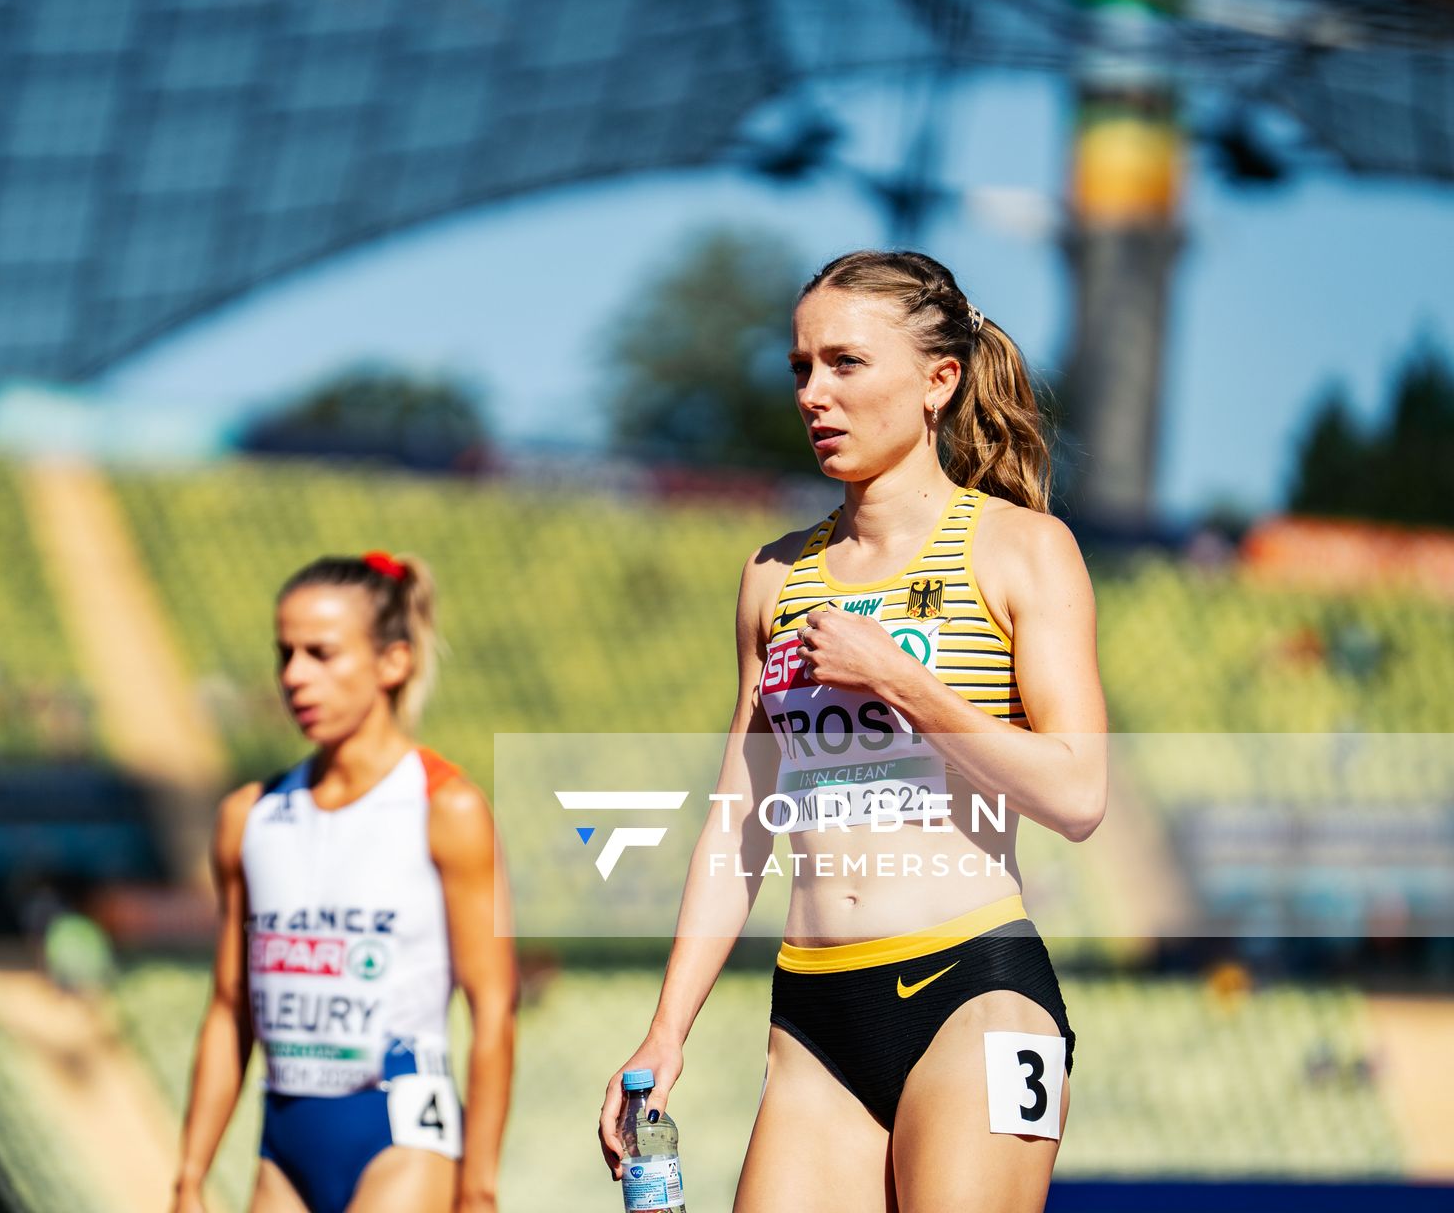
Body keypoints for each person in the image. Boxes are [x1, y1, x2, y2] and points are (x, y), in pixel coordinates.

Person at [597, 251, 1108, 1211]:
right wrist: (666, 1032)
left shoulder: (1022, 549)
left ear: (938, 380)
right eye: (801, 367)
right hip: (814, 1014)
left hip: (973, 990)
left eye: (845, 363)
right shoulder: (772, 576)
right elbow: (738, 827)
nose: (813, 395)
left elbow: (1079, 794)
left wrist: (901, 681)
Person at [174, 551, 516, 1213]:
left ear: (393, 662)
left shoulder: (446, 808)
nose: (294, 676)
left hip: (402, 1139)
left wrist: (478, 1189)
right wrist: (189, 1176)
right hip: (283, 1151)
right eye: (285, 654)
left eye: (321, 654)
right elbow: (228, 1006)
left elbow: (494, 1008)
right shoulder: (249, 817)